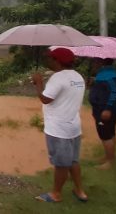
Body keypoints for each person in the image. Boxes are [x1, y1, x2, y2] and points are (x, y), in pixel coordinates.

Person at [31, 48, 88, 203]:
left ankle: (56, 194)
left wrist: (38, 83)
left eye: (51, 58)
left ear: (57, 61)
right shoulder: (78, 77)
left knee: (61, 164)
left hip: (58, 129)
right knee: (73, 161)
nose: (48, 61)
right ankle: (79, 190)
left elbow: (45, 99)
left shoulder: (58, 78)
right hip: (74, 127)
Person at [89, 58, 116, 169]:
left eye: (94, 61)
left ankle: (110, 162)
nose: (93, 63)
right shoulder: (106, 74)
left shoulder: (108, 75)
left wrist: (107, 108)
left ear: (100, 62)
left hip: (105, 109)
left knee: (105, 134)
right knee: (110, 133)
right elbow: (105, 88)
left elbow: (115, 91)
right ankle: (108, 157)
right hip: (104, 108)